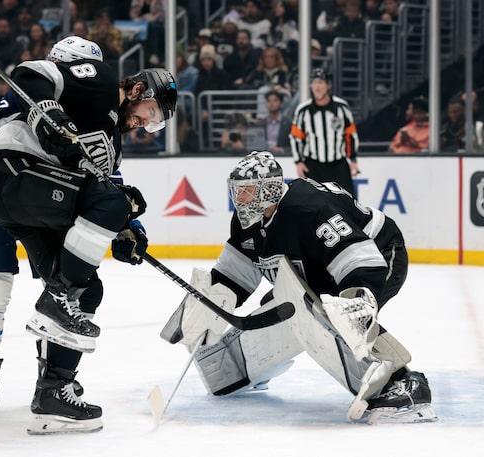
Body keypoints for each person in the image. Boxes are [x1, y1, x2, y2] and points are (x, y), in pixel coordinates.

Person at [0, 35, 177, 434]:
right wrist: (44, 112)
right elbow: (30, 75)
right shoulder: (99, 82)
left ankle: (53, 390)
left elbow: (103, 182)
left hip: (40, 198)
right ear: (137, 90)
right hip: (9, 179)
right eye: (151, 112)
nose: (147, 124)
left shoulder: (110, 140)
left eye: (155, 122)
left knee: (87, 290)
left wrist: (129, 229)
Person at [161, 150, 437, 425]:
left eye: (246, 191)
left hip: (379, 254)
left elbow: (358, 258)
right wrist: (211, 302)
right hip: (323, 270)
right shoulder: (247, 222)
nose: (239, 199)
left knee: (341, 316)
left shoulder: (307, 208)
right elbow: (234, 275)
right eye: (237, 191)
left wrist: (356, 298)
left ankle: (404, 385)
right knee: (284, 307)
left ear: (268, 190)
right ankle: (244, 368)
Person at [289, 68, 359, 197]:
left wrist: (353, 160)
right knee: (311, 202)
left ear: (328, 85)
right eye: (314, 82)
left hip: (338, 164)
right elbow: (296, 137)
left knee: (347, 201)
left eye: (321, 82)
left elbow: (350, 135)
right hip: (313, 164)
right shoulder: (303, 110)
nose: (317, 86)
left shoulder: (341, 107)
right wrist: (299, 162)